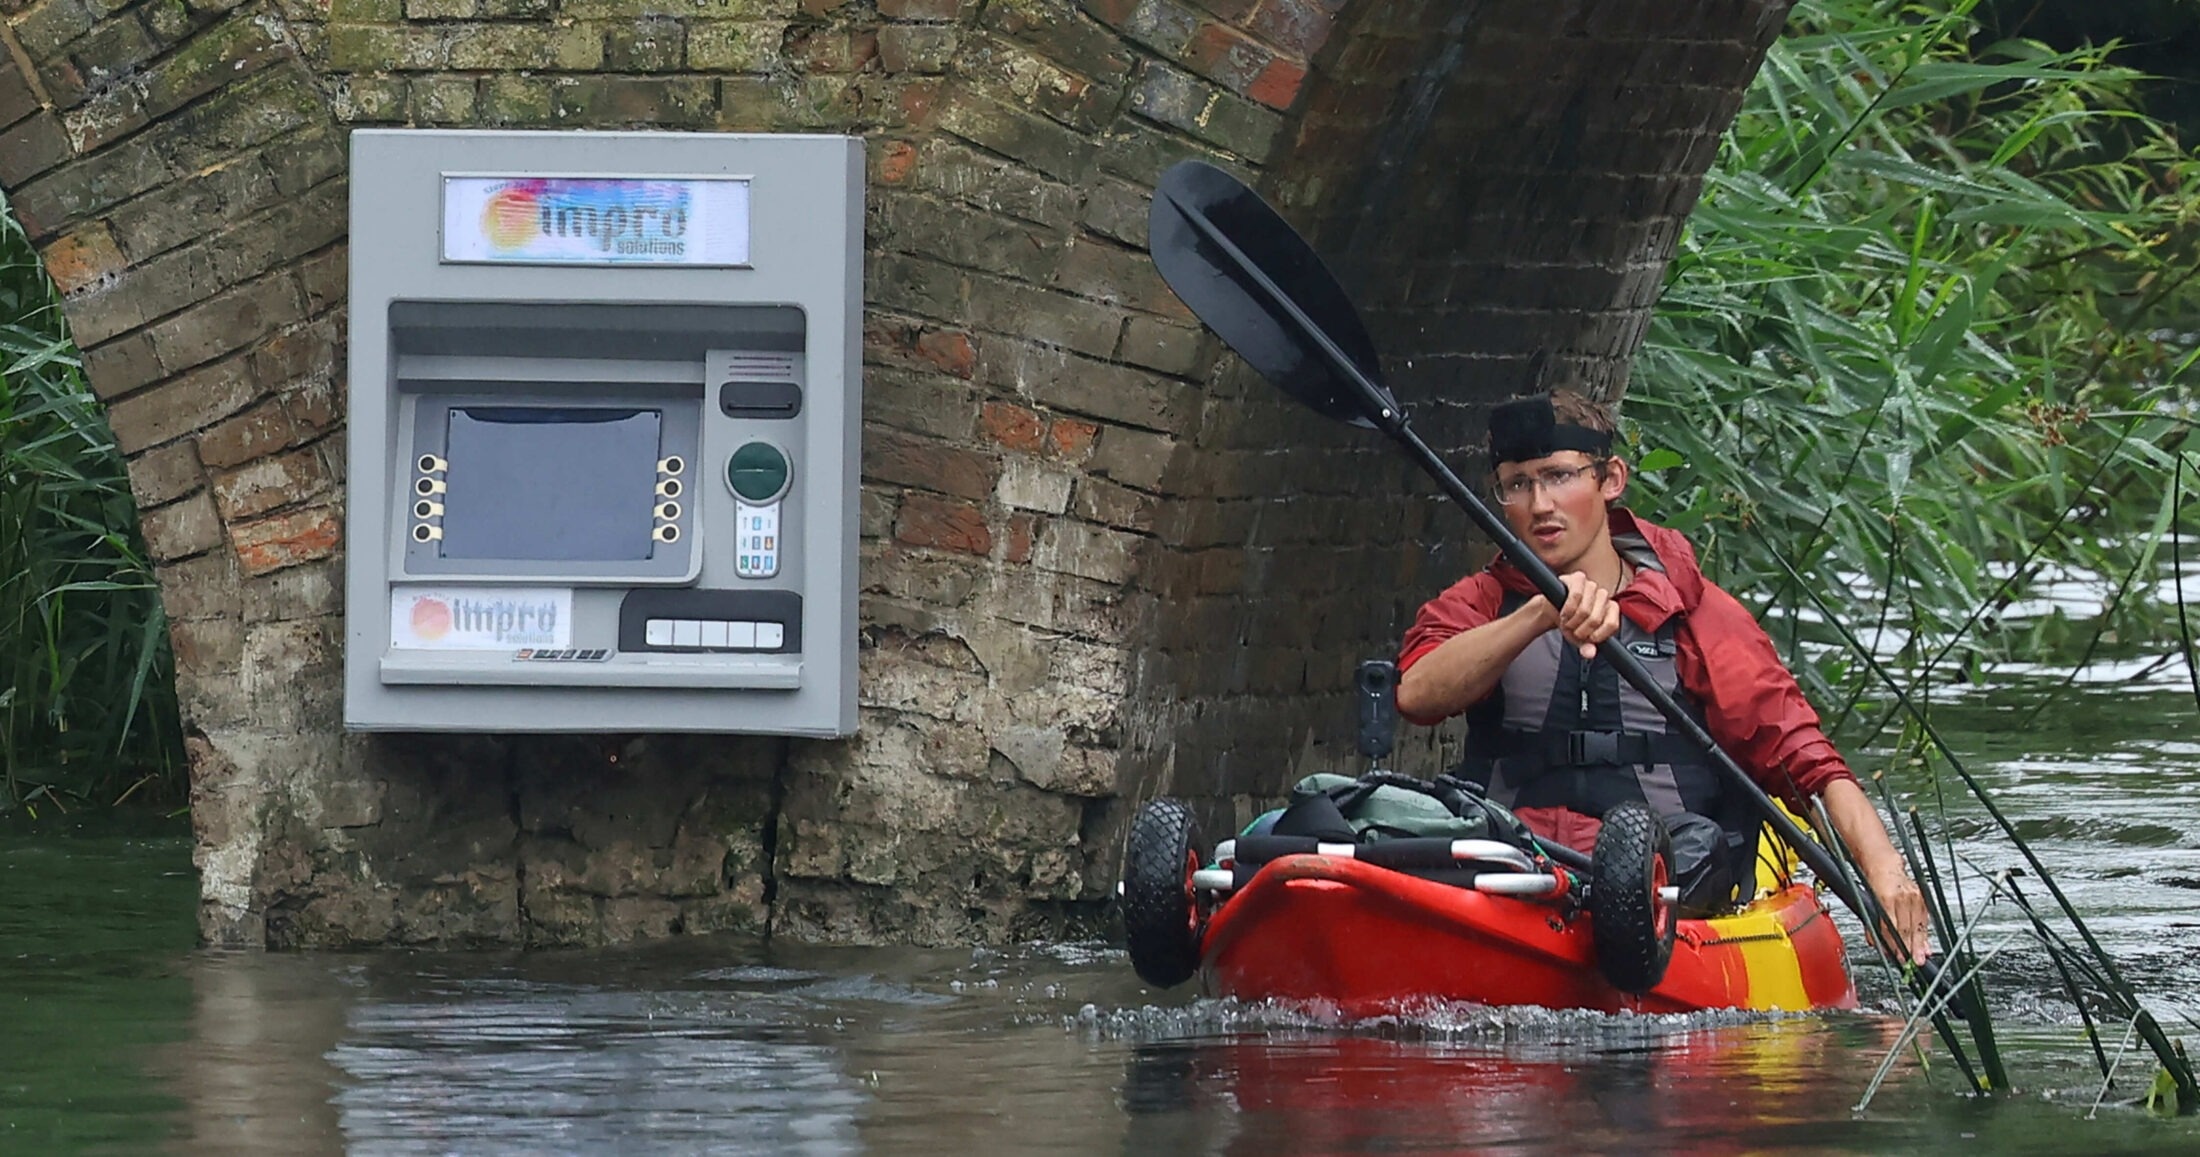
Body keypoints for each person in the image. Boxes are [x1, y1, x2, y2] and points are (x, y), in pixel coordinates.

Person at [1395, 390, 1931, 962]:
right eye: (1518, 484)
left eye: (1558, 476)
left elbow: (1809, 766)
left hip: (1664, 871)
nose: (1540, 504)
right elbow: (1417, 694)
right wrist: (1538, 614)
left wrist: (1885, 871)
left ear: (1611, 479)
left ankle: (1608, 919)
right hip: (1514, 857)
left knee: (1699, 846)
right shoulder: (1484, 602)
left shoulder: (1694, 614)